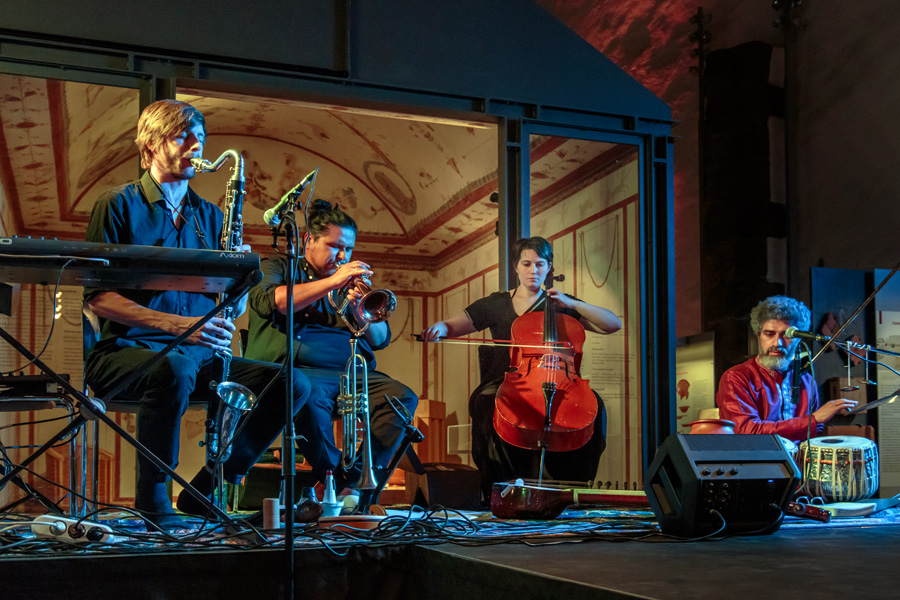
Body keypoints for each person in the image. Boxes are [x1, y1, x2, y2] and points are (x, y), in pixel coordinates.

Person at [83, 100, 310, 526]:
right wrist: (178, 327)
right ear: (150, 146)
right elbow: (98, 299)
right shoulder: (116, 205)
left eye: (200, 138)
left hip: (198, 356)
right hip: (126, 352)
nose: (196, 145)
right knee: (173, 368)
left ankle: (209, 482)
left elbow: (234, 308)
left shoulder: (211, 217)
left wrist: (240, 280)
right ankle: (153, 502)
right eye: (183, 136)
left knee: (292, 383)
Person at [421, 236, 622, 500]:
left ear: (549, 267)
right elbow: (456, 324)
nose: (533, 270)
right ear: (515, 266)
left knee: (594, 406)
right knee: (487, 402)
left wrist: (573, 304)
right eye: (526, 264)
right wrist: (441, 328)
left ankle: (572, 488)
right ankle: (502, 488)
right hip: (506, 383)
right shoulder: (496, 303)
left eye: (540, 264)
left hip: (559, 383)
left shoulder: (561, 303)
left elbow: (612, 324)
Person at [245, 199, 418, 492]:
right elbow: (271, 301)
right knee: (306, 397)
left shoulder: (347, 287)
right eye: (334, 245)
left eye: (348, 248)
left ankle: (355, 483)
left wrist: (358, 309)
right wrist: (331, 282)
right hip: (297, 373)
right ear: (309, 240)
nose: (342, 255)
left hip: (351, 374)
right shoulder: (277, 265)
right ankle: (337, 481)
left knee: (401, 397)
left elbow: (379, 340)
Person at [716, 295, 856, 441]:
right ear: (758, 336)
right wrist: (812, 420)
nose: (777, 343)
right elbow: (746, 431)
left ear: (799, 339)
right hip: (754, 462)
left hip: (798, 463)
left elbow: (815, 430)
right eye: (769, 334)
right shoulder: (736, 377)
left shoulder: (806, 380)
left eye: (787, 335)